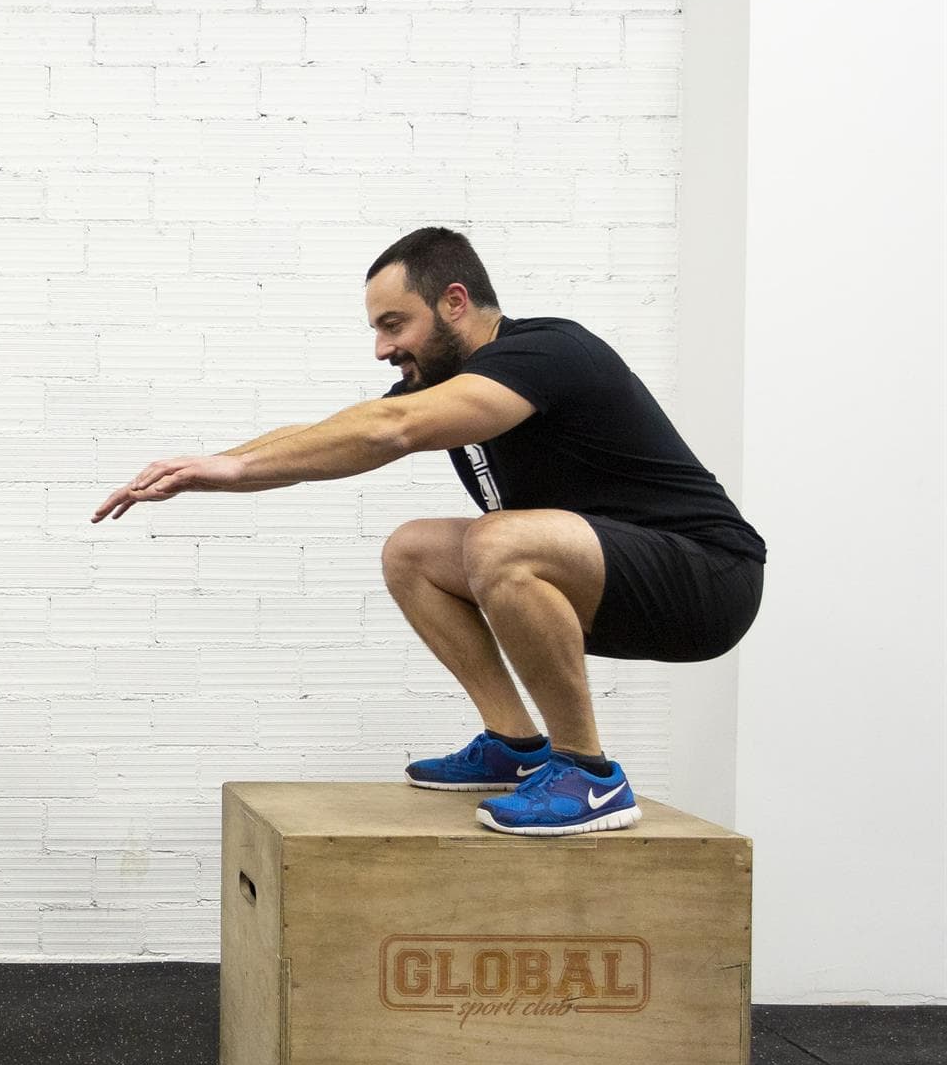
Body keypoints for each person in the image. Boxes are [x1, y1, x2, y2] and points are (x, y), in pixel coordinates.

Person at [91, 226, 764, 836]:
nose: (383, 348)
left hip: (708, 578)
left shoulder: (547, 351)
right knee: (412, 551)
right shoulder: (447, 380)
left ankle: (589, 776)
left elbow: (392, 428)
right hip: (608, 575)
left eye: (393, 324)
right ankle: (514, 743)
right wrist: (214, 469)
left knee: (499, 540)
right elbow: (331, 437)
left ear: (454, 301)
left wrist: (233, 464)